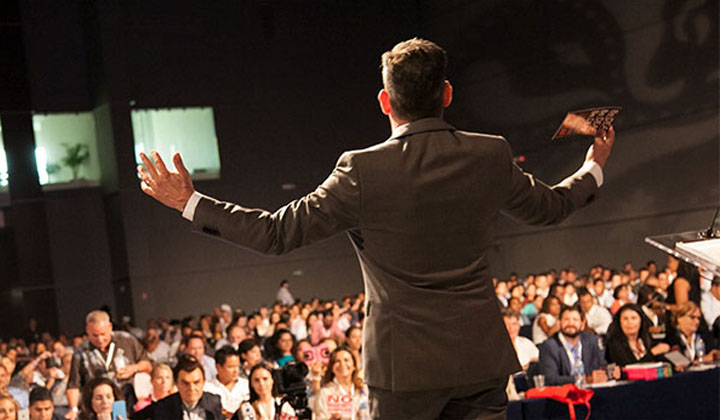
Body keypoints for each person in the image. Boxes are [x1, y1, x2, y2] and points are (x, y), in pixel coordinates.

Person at [137, 38, 614, 418]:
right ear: (446, 94)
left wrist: (190, 201)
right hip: (481, 362)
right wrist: (593, 165)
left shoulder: (361, 171)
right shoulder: (489, 153)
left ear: (385, 101)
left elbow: (275, 234)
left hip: (403, 371)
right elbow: (552, 206)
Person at [67, 311, 151, 419]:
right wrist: (73, 408)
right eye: (95, 335)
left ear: (110, 327)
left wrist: (134, 368)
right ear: (87, 330)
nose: (100, 340)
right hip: (96, 408)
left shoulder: (127, 340)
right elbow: (73, 384)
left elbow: (148, 364)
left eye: (103, 334)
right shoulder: (81, 351)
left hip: (125, 401)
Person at [132, 355, 223, 420]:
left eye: (196, 382)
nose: (191, 388)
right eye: (185, 383)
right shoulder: (163, 407)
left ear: (203, 382)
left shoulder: (213, 402)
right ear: (176, 384)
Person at [538, 306, 607, 386]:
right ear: (559, 322)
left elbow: (602, 366)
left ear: (582, 324)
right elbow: (550, 379)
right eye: (566, 319)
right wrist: (585, 379)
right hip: (563, 395)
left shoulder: (591, 340)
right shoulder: (549, 346)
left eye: (575, 320)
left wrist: (610, 373)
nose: (571, 323)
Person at [604, 304, 670, 366]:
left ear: (641, 321)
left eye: (633, 318)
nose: (630, 322)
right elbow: (630, 367)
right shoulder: (614, 344)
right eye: (625, 319)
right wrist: (652, 353)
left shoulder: (644, 339)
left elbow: (659, 359)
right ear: (619, 322)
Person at [313, 348, 369, 420]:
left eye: (346, 360)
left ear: (354, 366)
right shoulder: (325, 393)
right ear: (332, 368)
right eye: (337, 361)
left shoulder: (364, 389)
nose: (342, 364)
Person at [204, 346, 250, 417]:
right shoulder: (207, 388)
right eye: (231, 367)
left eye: (237, 366)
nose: (236, 371)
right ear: (218, 367)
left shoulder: (246, 385)